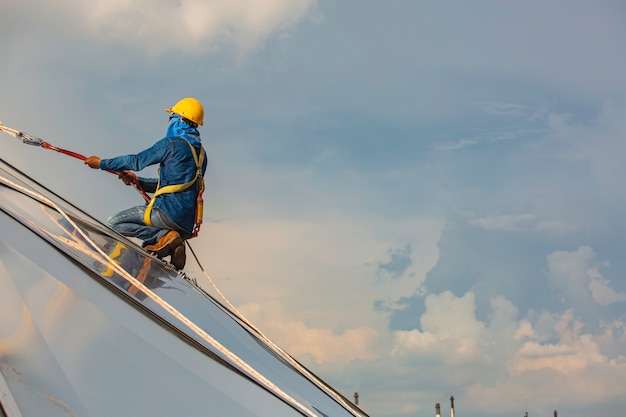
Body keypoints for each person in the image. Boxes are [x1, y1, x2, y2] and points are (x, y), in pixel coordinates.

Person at [85, 97, 207, 270]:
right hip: (186, 224)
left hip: (165, 214)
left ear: (179, 120)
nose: (169, 121)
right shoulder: (202, 155)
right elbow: (175, 184)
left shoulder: (171, 144)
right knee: (148, 248)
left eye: (171, 117)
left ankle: (165, 235)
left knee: (114, 223)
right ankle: (166, 242)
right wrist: (137, 181)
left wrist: (101, 163)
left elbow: (136, 161)